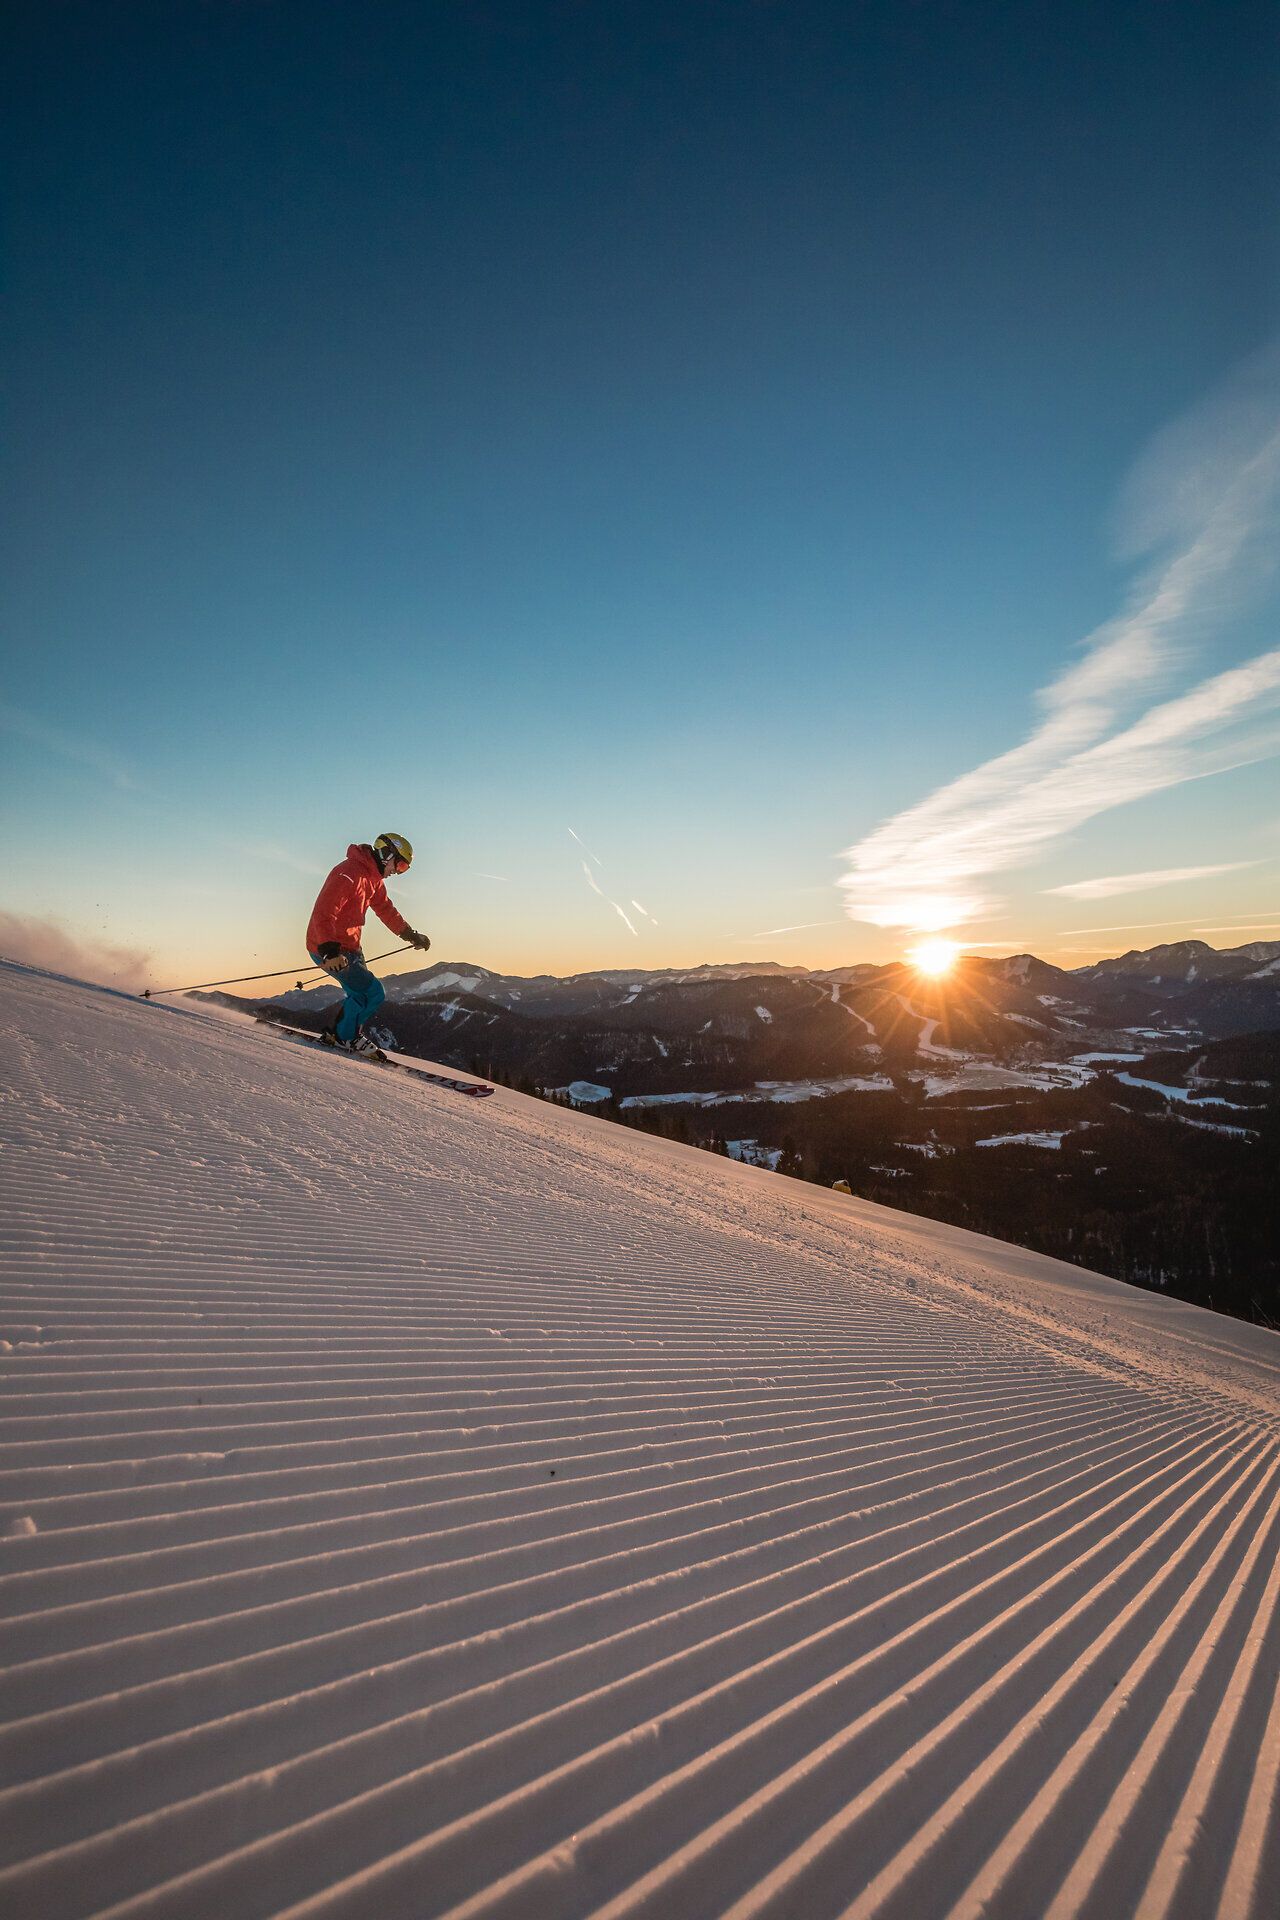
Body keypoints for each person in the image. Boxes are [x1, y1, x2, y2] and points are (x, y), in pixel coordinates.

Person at [306, 834, 431, 1053]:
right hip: (329, 948)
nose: (397, 872)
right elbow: (324, 912)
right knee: (372, 993)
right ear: (386, 855)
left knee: (362, 994)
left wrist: (410, 935)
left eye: (403, 869)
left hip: (351, 948)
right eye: (399, 865)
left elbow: (385, 909)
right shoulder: (348, 873)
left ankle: (345, 1035)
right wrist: (329, 950)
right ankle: (344, 1037)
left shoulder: (373, 878)